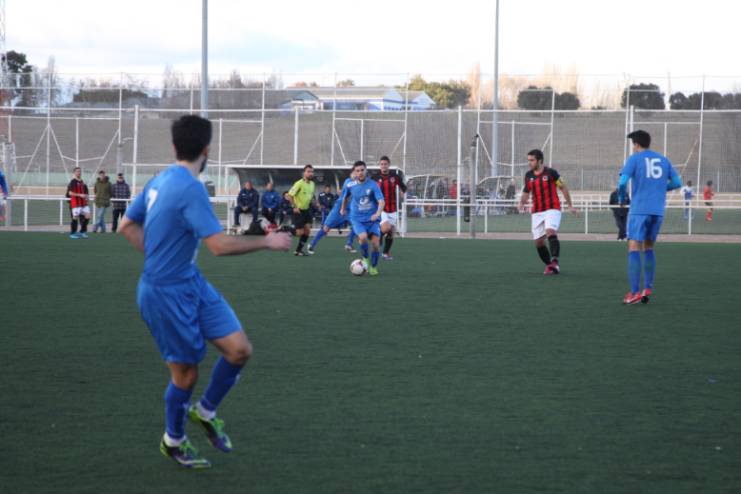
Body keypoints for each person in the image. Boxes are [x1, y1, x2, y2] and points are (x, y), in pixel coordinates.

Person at [118, 115, 291, 469]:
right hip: (164, 294)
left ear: (174, 147)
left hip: (190, 282)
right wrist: (267, 242)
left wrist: (160, 255)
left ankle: (206, 412)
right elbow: (218, 246)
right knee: (186, 375)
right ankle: (173, 440)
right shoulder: (190, 188)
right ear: (207, 150)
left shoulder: (160, 179)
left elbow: (126, 224)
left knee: (239, 350)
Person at [617, 130, 681, 305]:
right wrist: (659, 188)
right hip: (657, 211)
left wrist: (622, 198)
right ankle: (647, 288)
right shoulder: (663, 160)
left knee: (633, 247)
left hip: (639, 209)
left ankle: (634, 292)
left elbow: (622, 183)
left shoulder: (634, 159)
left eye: (633, 145)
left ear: (637, 144)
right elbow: (677, 183)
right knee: (649, 247)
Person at [517, 149, 577, 275]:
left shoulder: (552, 173)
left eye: (532, 160)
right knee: (538, 242)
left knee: (550, 231)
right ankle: (550, 266)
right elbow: (526, 192)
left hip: (552, 208)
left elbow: (563, 187)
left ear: (540, 161)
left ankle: (555, 260)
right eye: (528, 160)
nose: (529, 163)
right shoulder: (528, 175)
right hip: (537, 211)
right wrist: (522, 202)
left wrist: (570, 205)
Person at [340, 160, 385, 276]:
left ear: (366, 171)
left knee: (375, 244)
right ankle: (365, 258)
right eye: (357, 171)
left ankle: (373, 267)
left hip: (372, 219)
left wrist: (378, 213)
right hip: (357, 218)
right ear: (355, 172)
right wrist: (342, 208)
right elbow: (345, 197)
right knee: (363, 237)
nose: (360, 172)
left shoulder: (373, 185)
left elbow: (381, 201)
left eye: (362, 170)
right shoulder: (350, 185)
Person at [307, 169, 358, 255]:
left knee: (356, 225)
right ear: (351, 174)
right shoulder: (348, 181)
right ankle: (312, 244)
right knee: (326, 228)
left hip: (349, 210)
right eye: (355, 172)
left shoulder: (360, 183)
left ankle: (349, 244)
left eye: (358, 172)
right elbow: (350, 189)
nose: (356, 174)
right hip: (339, 209)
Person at [376, 156, 407, 260]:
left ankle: (385, 254)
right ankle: (377, 239)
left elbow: (404, 187)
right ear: (380, 165)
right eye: (382, 164)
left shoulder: (394, 176)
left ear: (389, 165)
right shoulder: (375, 178)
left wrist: (402, 191)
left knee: (391, 233)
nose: (383, 166)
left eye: (385, 164)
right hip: (381, 208)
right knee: (386, 228)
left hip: (393, 208)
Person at [288, 164, 316, 256]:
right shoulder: (299, 183)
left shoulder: (312, 184)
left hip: (307, 210)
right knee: (299, 233)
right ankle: (284, 228)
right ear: (304, 173)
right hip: (298, 211)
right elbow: (290, 195)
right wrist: (294, 207)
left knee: (307, 231)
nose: (310, 173)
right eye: (308, 171)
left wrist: (315, 203)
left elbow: (311, 196)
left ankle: (298, 250)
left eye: (312, 172)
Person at [67, 167, 91, 239]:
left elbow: (85, 192)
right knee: (75, 218)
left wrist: (87, 197)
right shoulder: (73, 182)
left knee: (88, 216)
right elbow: (70, 193)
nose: (79, 173)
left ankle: (82, 231)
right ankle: (72, 233)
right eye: (77, 171)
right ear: (74, 173)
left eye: (80, 171)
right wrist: (80, 195)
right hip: (76, 203)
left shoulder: (82, 182)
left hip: (83, 203)